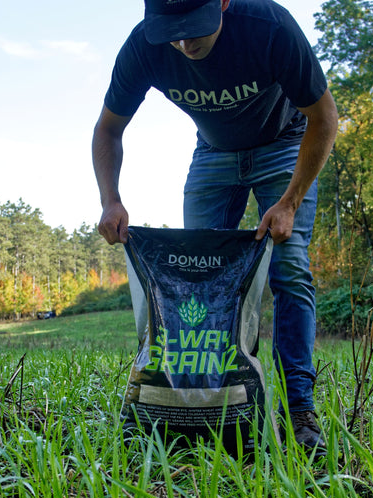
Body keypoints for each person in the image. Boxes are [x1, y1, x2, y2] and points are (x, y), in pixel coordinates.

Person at [92, 0, 338, 453]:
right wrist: (111, 199)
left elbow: (324, 117)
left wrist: (290, 202)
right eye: (174, 31)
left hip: (283, 145)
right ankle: (203, 402)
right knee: (196, 276)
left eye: (196, 27)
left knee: (290, 266)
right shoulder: (145, 45)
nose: (185, 42)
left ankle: (299, 409)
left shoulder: (269, 27)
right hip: (214, 154)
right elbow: (108, 128)